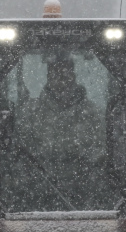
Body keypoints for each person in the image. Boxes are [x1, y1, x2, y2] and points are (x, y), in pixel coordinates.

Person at [7, 52, 108, 210]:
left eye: (65, 74)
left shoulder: (93, 115)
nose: (61, 80)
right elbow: (17, 151)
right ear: (49, 77)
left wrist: (79, 162)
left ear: (73, 77)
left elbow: (103, 151)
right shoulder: (30, 114)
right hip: (34, 194)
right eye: (56, 74)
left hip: (87, 192)